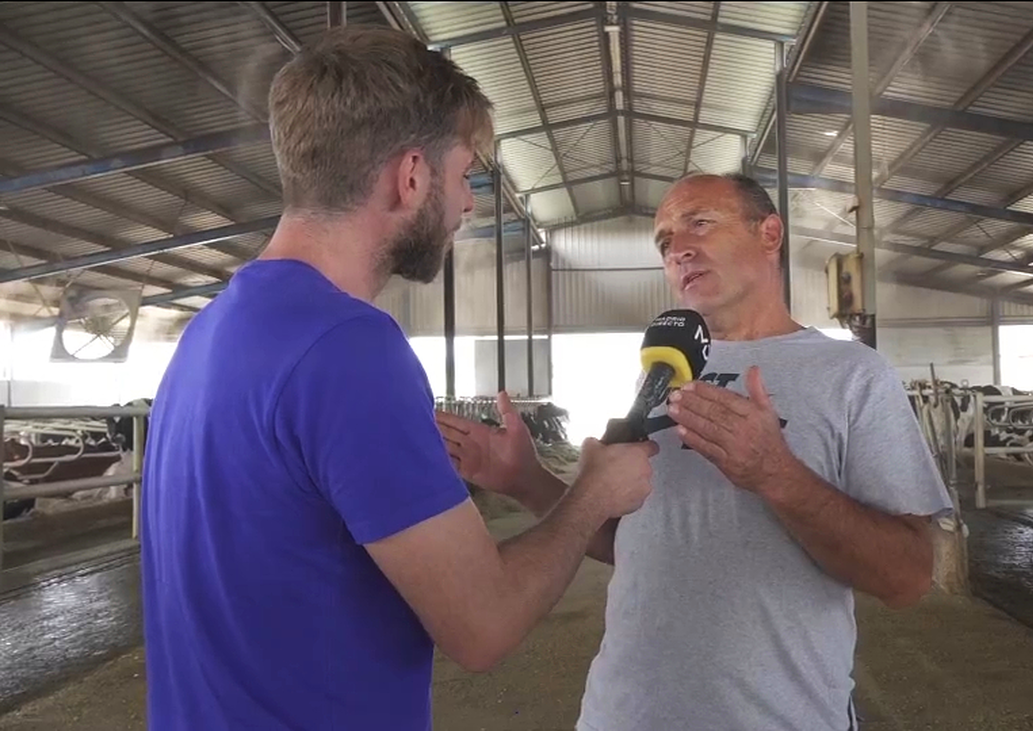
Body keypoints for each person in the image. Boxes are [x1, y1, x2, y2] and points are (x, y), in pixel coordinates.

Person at [138, 26, 657, 731]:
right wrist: (594, 491)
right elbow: (484, 624)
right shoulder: (349, 348)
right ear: (410, 176)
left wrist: (530, 481)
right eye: (463, 173)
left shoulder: (214, 329)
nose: (469, 204)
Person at [436, 172, 954, 730]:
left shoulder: (854, 376)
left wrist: (778, 474)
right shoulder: (663, 372)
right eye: (664, 243)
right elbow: (639, 545)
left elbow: (908, 578)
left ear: (770, 233)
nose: (678, 249)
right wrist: (526, 480)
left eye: (700, 224)